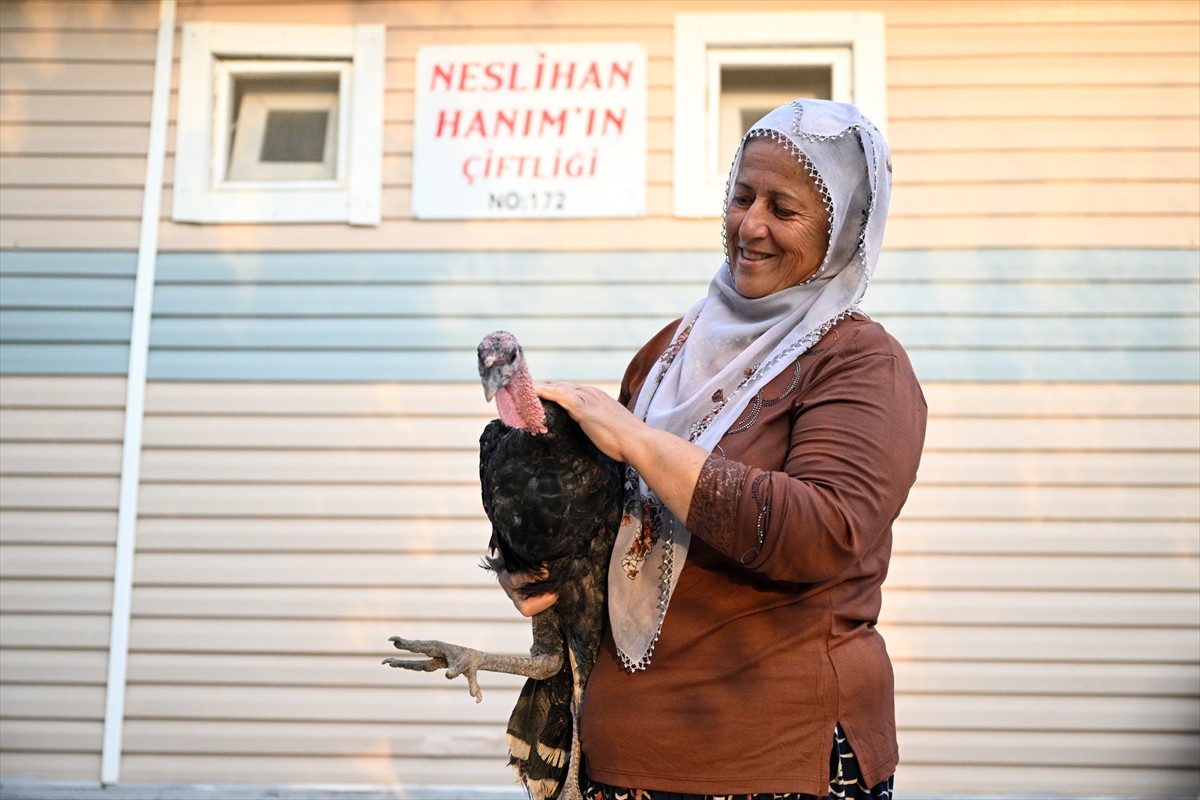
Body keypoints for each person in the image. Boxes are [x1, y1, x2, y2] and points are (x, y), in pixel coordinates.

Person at [511, 98, 927, 800]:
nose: (750, 225)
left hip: (773, 761)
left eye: (783, 208)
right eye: (741, 196)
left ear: (842, 230)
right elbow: (619, 530)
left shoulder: (858, 363)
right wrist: (545, 571)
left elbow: (823, 531)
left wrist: (640, 441)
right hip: (620, 756)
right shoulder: (669, 353)